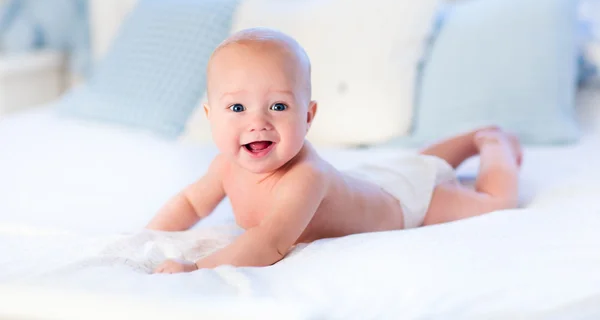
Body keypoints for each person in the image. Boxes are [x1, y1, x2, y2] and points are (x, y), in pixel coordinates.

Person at [147, 28, 522, 273]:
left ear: (308, 117)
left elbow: (270, 241)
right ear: (210, 117)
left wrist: (196, 269)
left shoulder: (305, 178)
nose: (256, 123)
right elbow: (191, 204)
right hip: (367, 181)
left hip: (403, 203)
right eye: (237, 108)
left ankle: (493, 144)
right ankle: (472, 136)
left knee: (492, 201)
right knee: (421, 163)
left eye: (278, 106)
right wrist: (146, 237)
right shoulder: (224, 167)